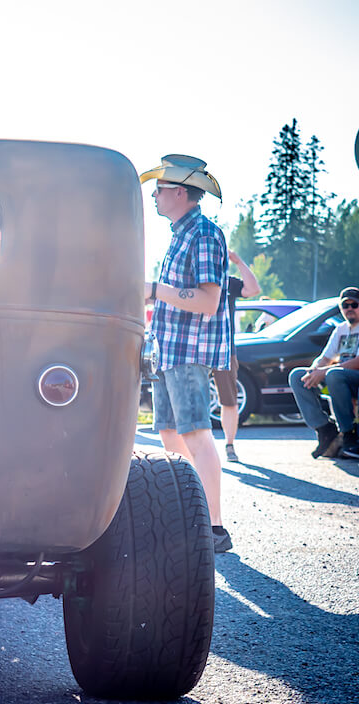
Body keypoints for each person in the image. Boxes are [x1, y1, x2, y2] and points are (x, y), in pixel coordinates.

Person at [140, 154, 234, 554]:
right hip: (169, 350)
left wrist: (153, 289)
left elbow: (210, 302)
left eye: (159, 190)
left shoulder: (205, 234)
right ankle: (187, 519)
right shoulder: (181, 233)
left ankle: (213, 528)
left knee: (195, 434)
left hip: (188, 351)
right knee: (170, 434)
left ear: (180, 192)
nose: (155, 197)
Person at [287, 287, 359, 459]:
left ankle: (349, 433)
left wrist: (324, 371)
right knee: (297, 376)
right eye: (345, 305)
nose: (349, 308)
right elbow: (324, 358)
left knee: (334, 374)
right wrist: (313, 371)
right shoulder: (341, 329)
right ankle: (324, 429)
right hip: (342, 377)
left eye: (354, 304)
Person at [215, 251, 260, 462]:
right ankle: (194, 446)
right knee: (191, 397)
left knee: (229, 399)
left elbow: (253, 289)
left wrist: (239, 261)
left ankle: (229, 445)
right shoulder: (193, 281)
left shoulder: (228, 282)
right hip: (194, 346)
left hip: (224, 348)